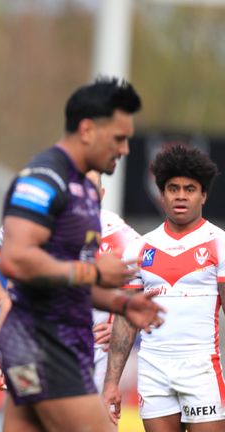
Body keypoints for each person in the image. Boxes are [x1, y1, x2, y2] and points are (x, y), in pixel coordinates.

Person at [0, 77, 165, 432]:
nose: (126, 150)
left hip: (53, 346)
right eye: (119, 138)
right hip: (41, 346)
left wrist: (122, 304)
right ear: (87, 129)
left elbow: (65, 279)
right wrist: (93, 273)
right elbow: (15, 259)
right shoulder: (44, 179)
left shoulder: (85, 193)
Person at [0, 171, 140, 395]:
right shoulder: (30, 226)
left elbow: (154, 280)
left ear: (101, 195)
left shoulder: (117, 233)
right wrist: (5, 305)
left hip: (93, 359)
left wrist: (122, 322)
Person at [102, 143, 225, 431]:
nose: (181, 196)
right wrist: (111, 383)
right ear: (162, 194)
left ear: (203, 195)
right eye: (173, 188)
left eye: (190, 189)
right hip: (154, 369)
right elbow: (124, 320)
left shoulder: (219, 244)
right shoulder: (138, 248)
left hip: (201, 368)